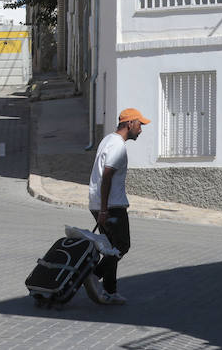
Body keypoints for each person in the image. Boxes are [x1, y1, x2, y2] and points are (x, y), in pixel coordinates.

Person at [85, 107, 149, 305]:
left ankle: (110, 291)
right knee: (122, 245)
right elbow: (107, 176)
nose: (141, 129)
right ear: (129, 123)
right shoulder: (118, 147)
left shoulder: (107, 140)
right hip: (111, 206)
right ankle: (94, 276)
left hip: (100, 203)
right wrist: (104, 209)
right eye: (140, 124)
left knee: (112, 249)